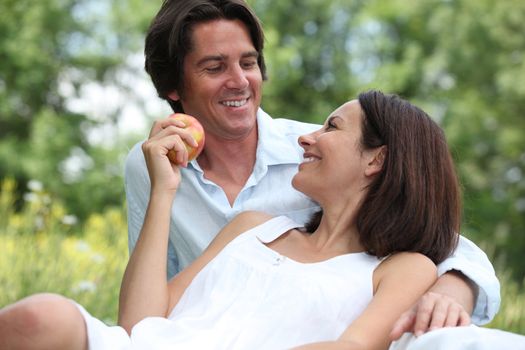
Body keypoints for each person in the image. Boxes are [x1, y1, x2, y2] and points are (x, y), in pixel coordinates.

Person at [124, 0, 500, 338]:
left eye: (249, 62)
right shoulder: (157, 166)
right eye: (214, 66)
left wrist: (449, 291)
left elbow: (437, 238)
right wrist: (164, 188)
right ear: (174, 85)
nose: (239, 81)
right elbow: (146, 309)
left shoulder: (318, 153)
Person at [0, 90, 486, 349]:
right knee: (43, 316)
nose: (306, 138)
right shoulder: (252, 226)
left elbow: (354, 348)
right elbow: (138, 325)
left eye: (331, 127)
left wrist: (457, 289)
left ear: (376, 160)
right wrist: (164, 192)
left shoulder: (401, 268)